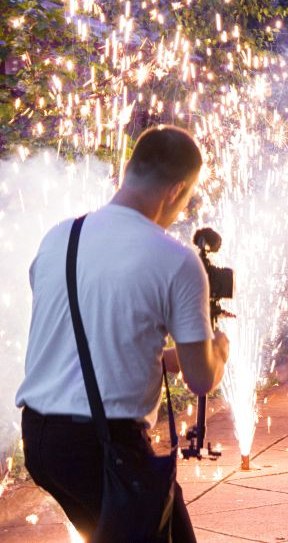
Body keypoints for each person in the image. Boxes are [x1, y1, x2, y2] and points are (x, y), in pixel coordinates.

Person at [16, 125, 230, 542]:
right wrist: (218, 349)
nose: (182, 210)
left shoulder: (61, 235)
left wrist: (163, 357)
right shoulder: (176, 259)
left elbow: (82, 329)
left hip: (41, 441)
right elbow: (202, 378)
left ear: (129, 169)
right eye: (187, 199)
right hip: (102, 444)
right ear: (176, 189)